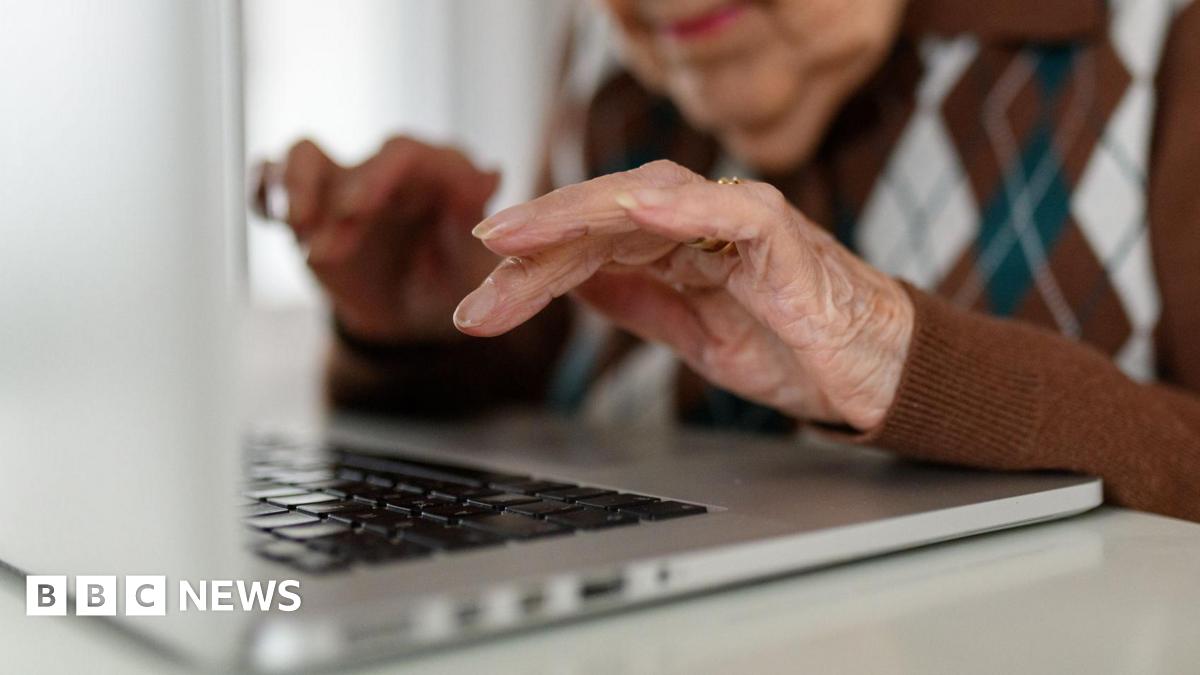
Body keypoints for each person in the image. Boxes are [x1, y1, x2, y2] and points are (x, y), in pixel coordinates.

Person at [256, 0, 1200, 522]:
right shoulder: (615, 51)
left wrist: (897, 354)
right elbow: (598, 398)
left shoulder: (1162, 43)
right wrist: (423, 328)